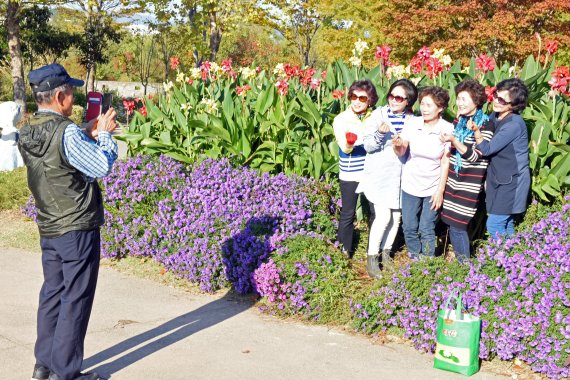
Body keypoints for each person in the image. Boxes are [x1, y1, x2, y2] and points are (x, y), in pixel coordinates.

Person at [18, 63, 118, 380]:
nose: (73, 98)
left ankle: (44, 366)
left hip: (49, 226)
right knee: (75, 299)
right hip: (76, 227)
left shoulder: (27, 130)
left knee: (52, 295)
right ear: (60, 96)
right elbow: (98, 166)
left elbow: (55, 162)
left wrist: (85, 133)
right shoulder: (68, 133)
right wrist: (103, 135)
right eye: (71, 92)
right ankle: (67, 373)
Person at [357, 79, 418, 278]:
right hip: (380, 175)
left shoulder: (413, 120)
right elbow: (367, 146)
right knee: (382, 217)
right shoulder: (377, 116)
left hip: (402, 176)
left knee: (396, 218)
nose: (393, 100)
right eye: (391, 95)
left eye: (399, 97)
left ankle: (386, 253)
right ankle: (372, 257)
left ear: (408, 101)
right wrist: (378, 134)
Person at [393, 86, 453, 259]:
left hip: (433, 186)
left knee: (426, 227)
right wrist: (398, 145)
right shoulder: (412, 123)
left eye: (429, 105)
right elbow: (402, 150)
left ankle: (428, 264)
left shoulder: (447, 129)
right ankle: (415, 256)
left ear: (440, 108)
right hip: (411, 183)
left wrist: (440, 191)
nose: (424, 109)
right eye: (423, 104)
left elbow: (445, 162)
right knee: (409, 227)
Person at [439, 79, 495, 261]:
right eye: (458, 98)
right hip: (454, 180)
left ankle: (465, 267)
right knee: (450, 223)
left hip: (469, 184)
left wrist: (455, 141)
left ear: (477, 101)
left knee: (458, 226)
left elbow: (475, 156)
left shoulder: (486, 124)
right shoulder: (459, 121)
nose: (459, 103)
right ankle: (459, 259)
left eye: (464, 99)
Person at [470, 78, 530, 238]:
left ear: (514, 105)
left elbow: (487, 148)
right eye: (496, 95)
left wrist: (477, 133)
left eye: (502, 100)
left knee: (495, 224)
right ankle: (514, 259)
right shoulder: (495, 116)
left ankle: (500, 259)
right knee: (507, 223)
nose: (496, 101)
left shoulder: (514, 124)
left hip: (513, 182)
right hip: (500, 179)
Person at [333, 79, 378, 259]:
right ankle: (345, 251)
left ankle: (373, 250)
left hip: (371, 171)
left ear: (370, 101)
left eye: (362, 98)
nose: (357, 101)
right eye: (353, 96)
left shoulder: (375, 117)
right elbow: (344, 147)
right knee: (348, 212)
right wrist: (350, 143)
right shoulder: (341, 119)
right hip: (350, 172)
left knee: (375, 211)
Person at [0, 101, 25, 171]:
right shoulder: (11, 131)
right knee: (10, 156)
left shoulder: (9, 130)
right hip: (10, 152)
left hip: (13, 150)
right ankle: (10, 166)